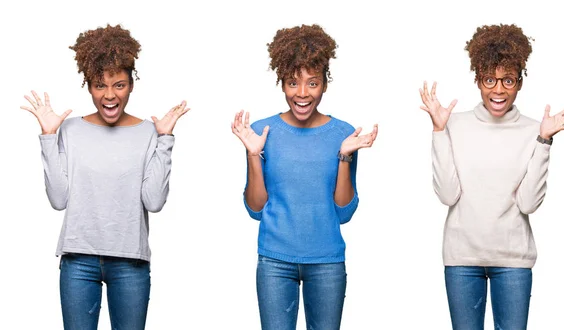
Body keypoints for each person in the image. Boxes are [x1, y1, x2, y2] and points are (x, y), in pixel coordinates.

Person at [20, 24, 189, 330]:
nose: (109, 96)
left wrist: (165, 141)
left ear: (131, 85)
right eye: (100, 86)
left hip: (130, 262)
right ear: (89, 86)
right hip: (78, 261)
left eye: (119, 85)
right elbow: (58, 200)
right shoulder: (70, 130)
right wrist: (48, 136)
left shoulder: (149, 133)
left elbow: (154, 202)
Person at [419, 24, 564, 330]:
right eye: (490, 79)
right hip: (462, 259)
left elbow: (529, 204)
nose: (498, 89)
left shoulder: (534, 130)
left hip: (513, 261)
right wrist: (439, 132)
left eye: (508, 80)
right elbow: (447, 195)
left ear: (519, 82)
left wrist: (544, 141)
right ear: (478, 79)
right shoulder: (454, 124)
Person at [231, 24, 377, 330]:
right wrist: (253, 154)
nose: (302, 94)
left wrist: (345, 155)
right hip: (274, 261)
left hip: (326, 261)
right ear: (281, 83)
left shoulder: (343, 134)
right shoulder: (261, 131)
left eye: (312, 83)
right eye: (292, 83)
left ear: (325, 84)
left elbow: (344, 211)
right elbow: (255, 209)